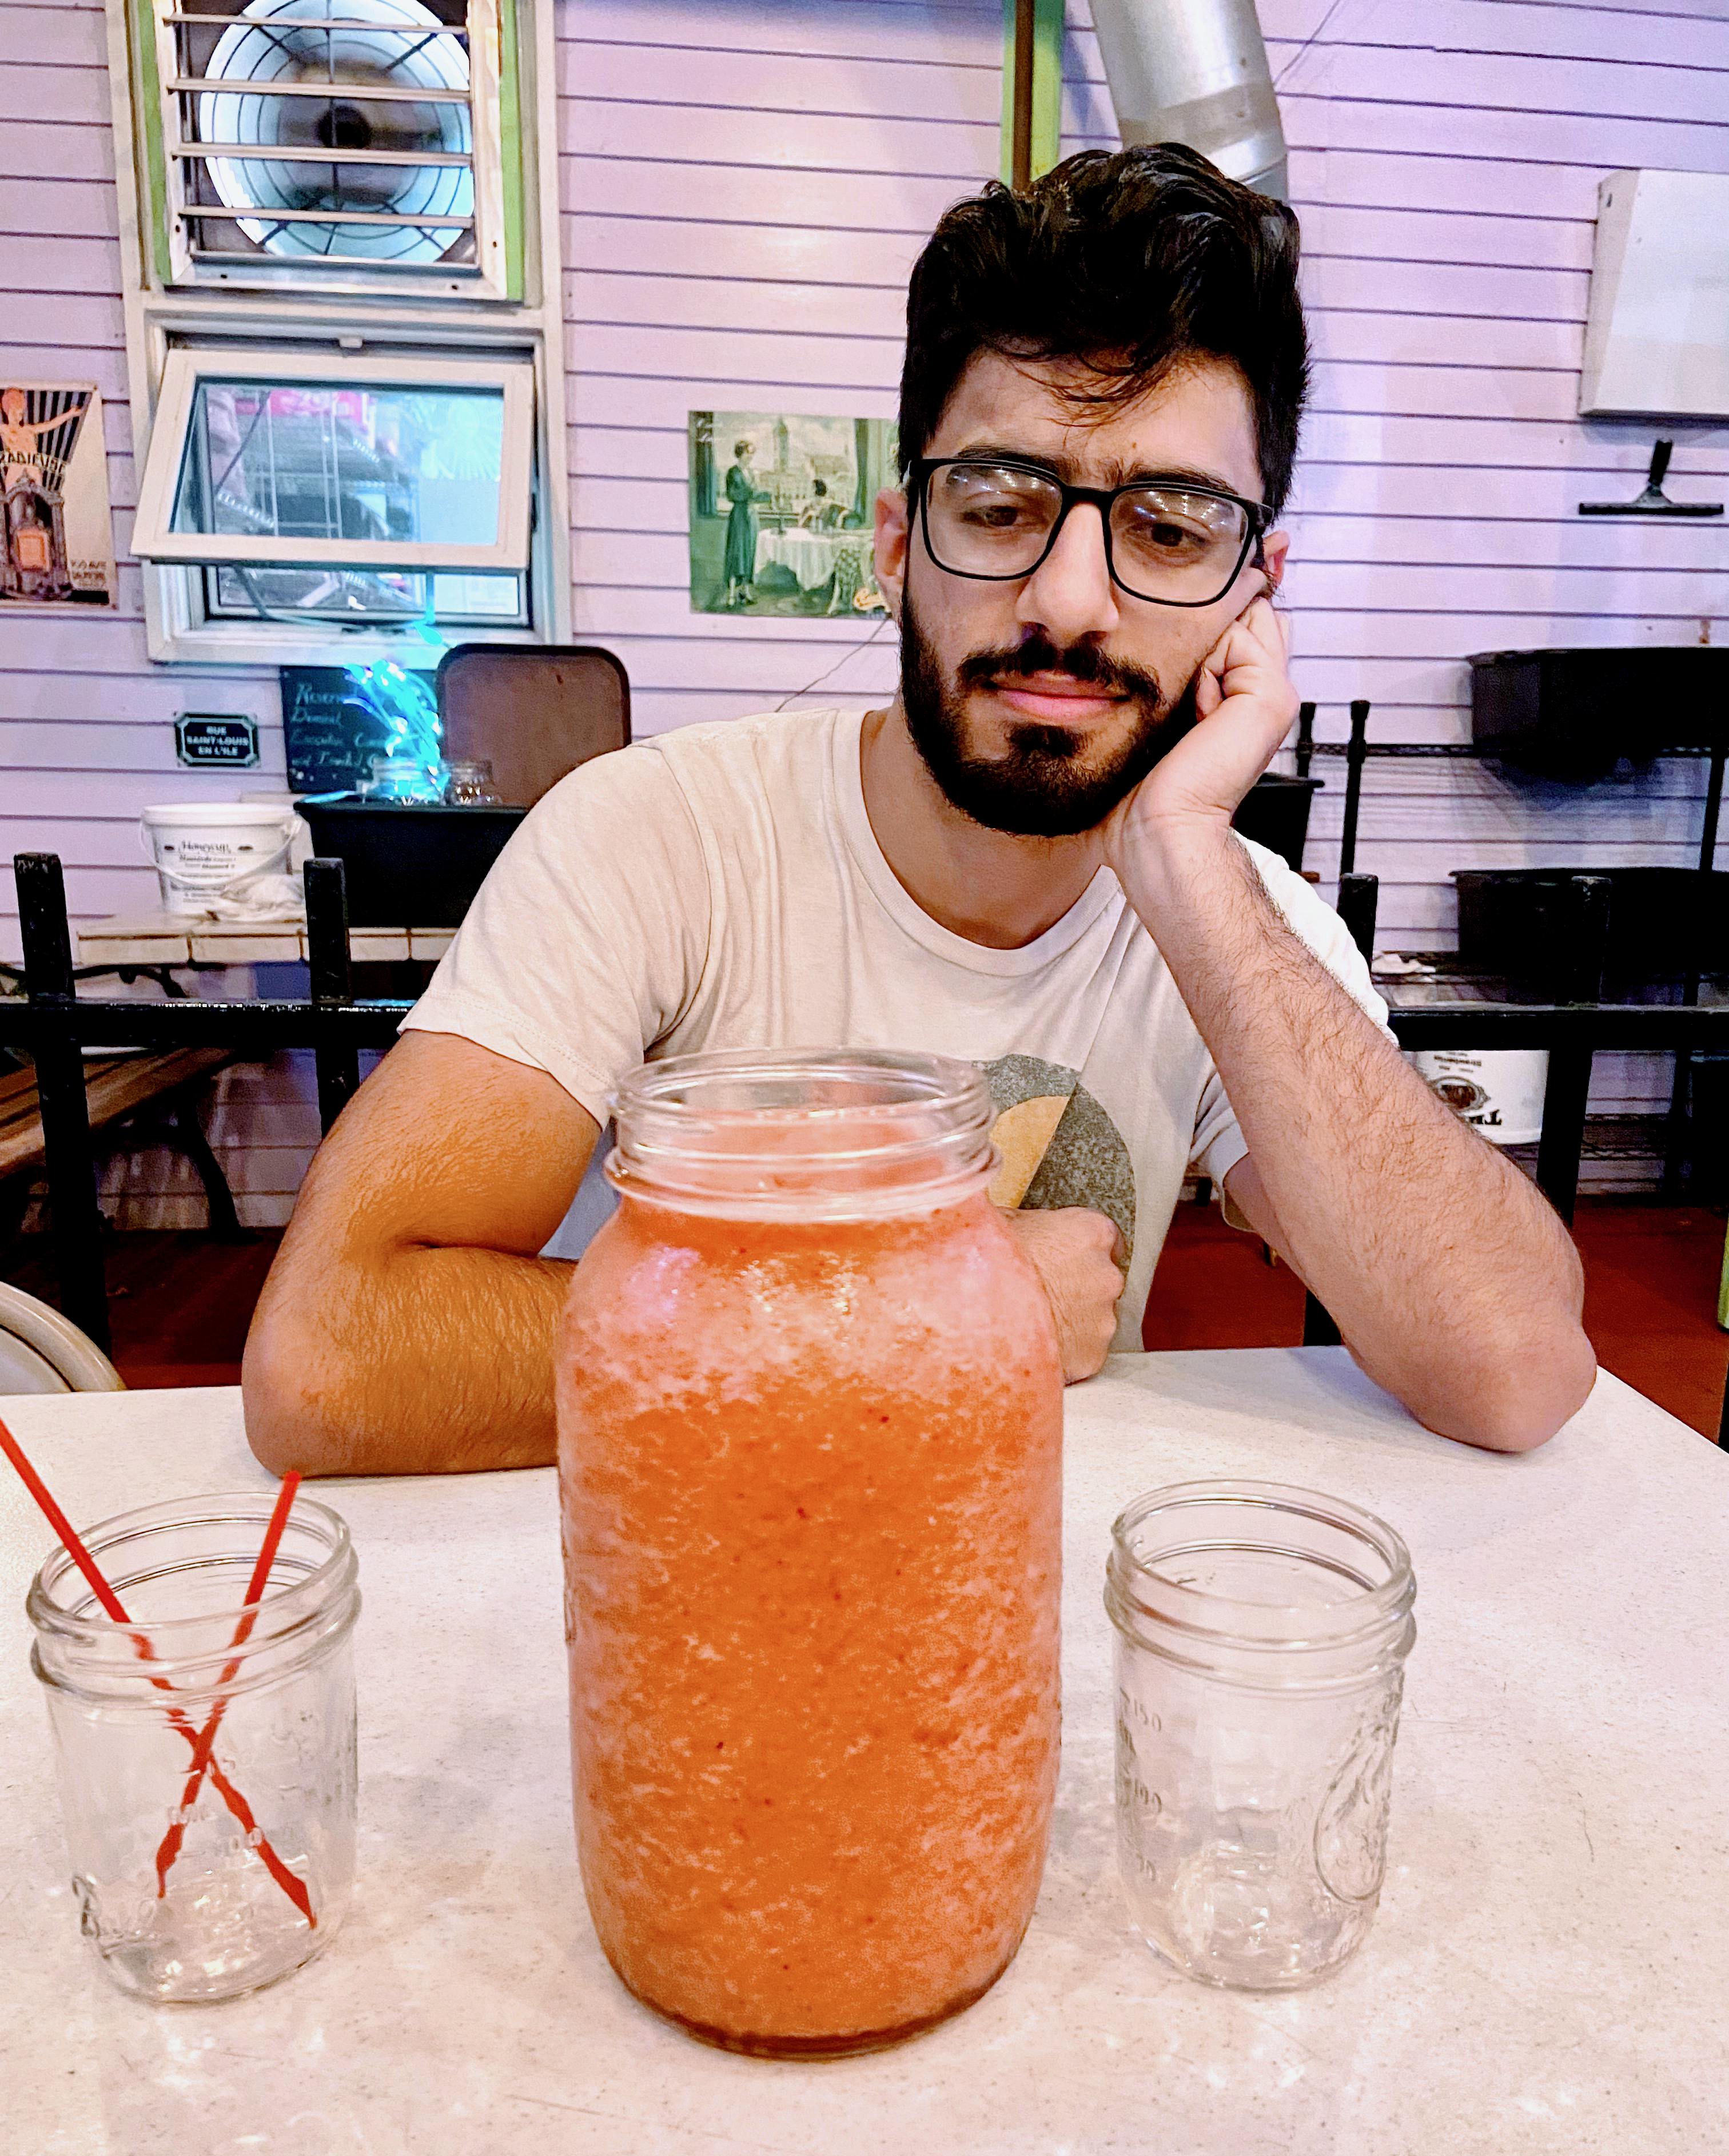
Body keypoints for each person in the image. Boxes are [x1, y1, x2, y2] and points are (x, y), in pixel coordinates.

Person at [244, 144, 1595, 1477]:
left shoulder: (1239, 924)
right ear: (898, 548)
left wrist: (1189, 857)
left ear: (1254, 589)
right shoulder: (658, 837)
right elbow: (335, 1354)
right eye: (1002, 508)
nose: (1070, 601)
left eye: (1171, 529)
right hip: (690, 1578)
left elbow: (1514, 1366)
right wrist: (922, 1314)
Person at [722, 439, 762, 608]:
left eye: (752, 453)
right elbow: (732, 495)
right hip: (739, 516)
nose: (750, 457)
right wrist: (750, 492)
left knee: (749, 554)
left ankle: (745, 591)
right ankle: (731, 593)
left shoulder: (752, 473)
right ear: (740, 453)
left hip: (751, 517)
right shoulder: (732, 473)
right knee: (736, 554)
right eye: (748, 453)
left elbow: (755, 494)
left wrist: (758, 494)